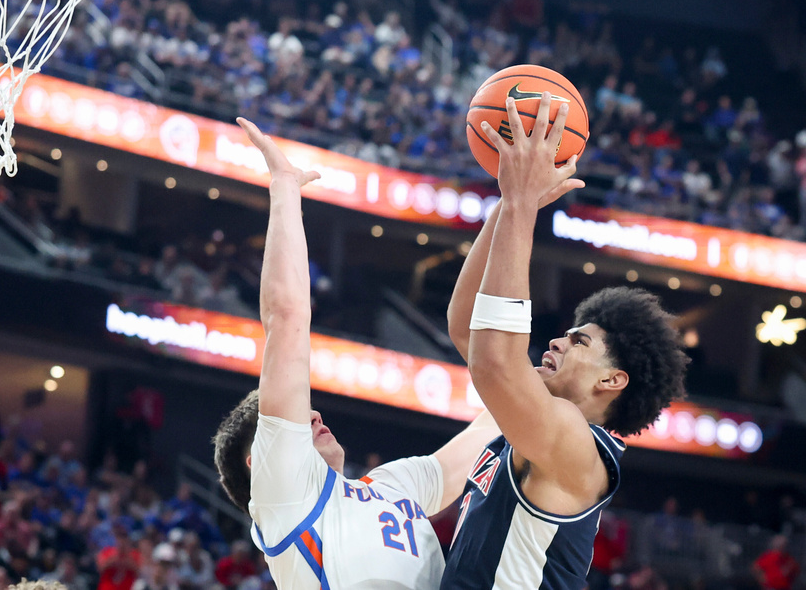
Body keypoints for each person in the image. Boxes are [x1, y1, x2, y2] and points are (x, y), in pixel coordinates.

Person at [212, 118, 501, 589]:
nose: (313, 414)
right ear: (259, 462)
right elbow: (287, 320)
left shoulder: (392, 485)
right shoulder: (285, 496)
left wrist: (514, 202)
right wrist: (285, 188)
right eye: (293, 421)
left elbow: (490, 426)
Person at [439, 93, 689, 590]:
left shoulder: (579, 448)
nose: (556, 341)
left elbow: (494, 361)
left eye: (579, 341)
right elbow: (468, 325)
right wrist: (509, 204)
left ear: (613, 379)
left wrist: (521, 204)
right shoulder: (534, 421)